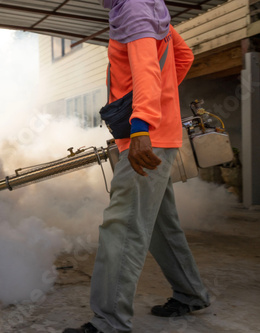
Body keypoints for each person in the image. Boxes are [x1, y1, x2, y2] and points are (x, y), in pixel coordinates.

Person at [63, 1, 210, 332]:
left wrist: (142, 121)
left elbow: (146, 68)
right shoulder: (149, 7)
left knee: (122, 227)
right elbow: (183, 57)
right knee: (159, 223)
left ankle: (108, 323)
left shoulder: (131, 6)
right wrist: (162, 99)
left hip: (145, 137)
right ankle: (190, 293)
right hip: (159, 133)